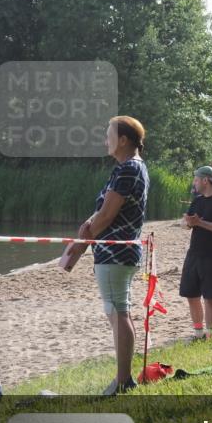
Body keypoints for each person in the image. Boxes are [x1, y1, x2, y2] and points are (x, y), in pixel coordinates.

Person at [81, 116, 149, 395]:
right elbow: (104, 212)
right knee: (120, 311)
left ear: (123, 140)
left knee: (117, 312)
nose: (105, 140)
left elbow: (107, 215)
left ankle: (123, 381)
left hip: (115, 252)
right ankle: (124, 379)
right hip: (120, 251)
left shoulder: (128, 169)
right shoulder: (130, 168)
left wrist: (83, 237)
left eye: (108, 134)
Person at [179, 165, 212, 340]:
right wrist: (187, 222)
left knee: (210, 298)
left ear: (205, 180)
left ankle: (210, 336)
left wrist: (200, 223)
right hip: (194, 253)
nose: (194, 183)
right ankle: (198, 333)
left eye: (196, 179)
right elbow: (186, 224)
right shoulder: (197, 200)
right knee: (190, 294)